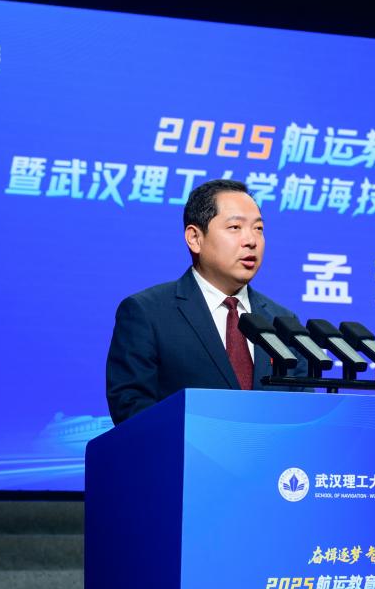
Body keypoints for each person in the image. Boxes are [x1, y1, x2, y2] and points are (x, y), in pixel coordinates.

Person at [106, 178, 308, 424]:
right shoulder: (148, 313)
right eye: (235, 227)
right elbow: (131, 410)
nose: (251, 240)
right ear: (195, 238)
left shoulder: (282, 322)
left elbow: (304, 412)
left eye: (258, 228)